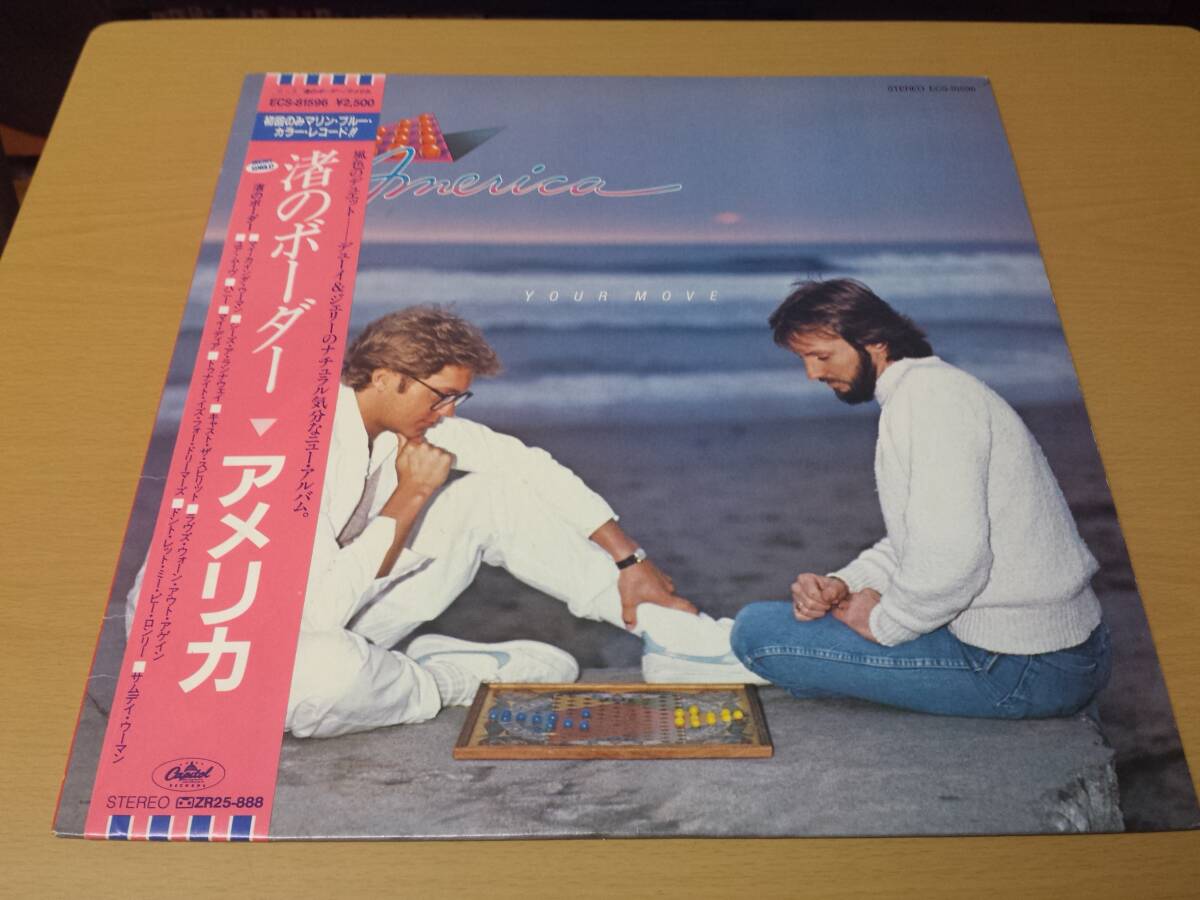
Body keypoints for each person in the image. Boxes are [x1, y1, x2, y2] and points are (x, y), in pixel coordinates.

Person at [129, 306, 696, 738]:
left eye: (458, 400)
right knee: (327, 680)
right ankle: (442, 679)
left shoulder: (403, 422)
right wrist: (412, 493)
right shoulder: (292, 447)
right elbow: (315, 613)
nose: (447, 413)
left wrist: (630, 560)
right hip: (226, 652)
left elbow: (526, 464)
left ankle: (668, 629)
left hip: (338, 614)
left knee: (494, 494)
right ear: (384, 377)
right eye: (442, 397)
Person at [725, 278, 1111, 718]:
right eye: (804, 359)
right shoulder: (933, 390)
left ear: (873, 340)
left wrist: (884, 623)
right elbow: (921, 540)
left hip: (1022, 668)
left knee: (756, 632)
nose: (812, 374)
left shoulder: (927, 403)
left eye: (822, 356)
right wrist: (845, 584)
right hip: (1055, 650)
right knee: (785, 627)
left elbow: (954, 557)